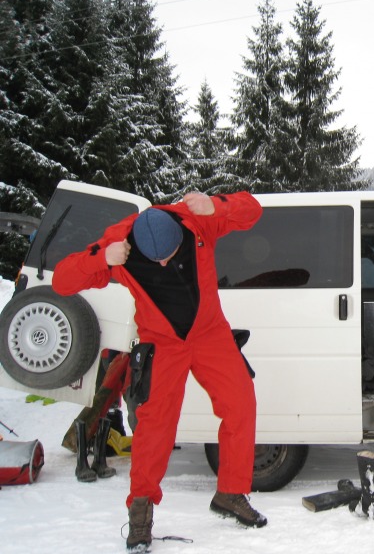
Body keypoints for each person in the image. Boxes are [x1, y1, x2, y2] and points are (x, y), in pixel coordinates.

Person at [53, 191, 265, 552]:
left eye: (171, 255)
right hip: (162, 343)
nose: (166, 264)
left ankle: (231, 493)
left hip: (210, 332)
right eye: (157, 260)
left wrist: (219, 206)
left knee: (241, 403)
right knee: (155, 426)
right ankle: (140, 510)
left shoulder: (196, 220)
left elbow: (253, 212)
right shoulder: (117, 246)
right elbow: (62, 281)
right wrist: (101, 257)